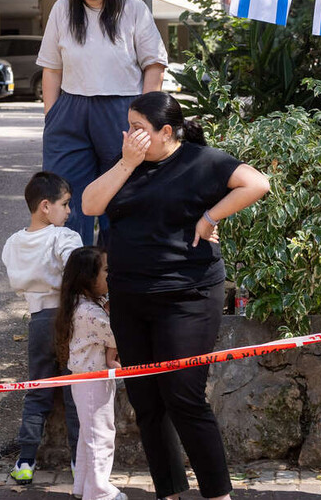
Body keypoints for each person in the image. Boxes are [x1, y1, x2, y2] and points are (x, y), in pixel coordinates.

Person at [82, 91, 271, 500]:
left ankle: (217, 493)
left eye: (138, 128)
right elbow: (90, 203)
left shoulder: (201, 161)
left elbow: (257, 183)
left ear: (166, 132)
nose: (129, 135)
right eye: (127, 126)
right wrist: (127, 162)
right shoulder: (125, 165)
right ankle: (168, 492)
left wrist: (210, 216)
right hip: (130, 296)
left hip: (188, 295)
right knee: (145, 400)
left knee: (183, 395)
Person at [38, 0, 169, 246]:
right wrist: (52, 116)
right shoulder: (62, 10)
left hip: (121, 109)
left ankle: (115, 280)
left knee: (120, 196)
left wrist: (144, 120)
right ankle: (71, 277)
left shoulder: (134, 9)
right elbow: (51, 68)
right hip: (70, 111)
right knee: (63, 197)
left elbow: (155, 66)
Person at [0, 171, 83, 484]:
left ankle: (25, 461)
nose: (69, 211)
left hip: (37, 320)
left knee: (36, 390)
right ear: (45, 206)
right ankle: (78, 461)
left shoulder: (13, 243)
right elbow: (76, 268)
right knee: (75, 390)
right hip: (68, 317)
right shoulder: (64, 237)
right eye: (65, 204)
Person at [54, 246, 125, 500]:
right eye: (105, 270)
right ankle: (99, 490)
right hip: (93, 381)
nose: (110, 274)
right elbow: (118, 333)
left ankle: (84, 485)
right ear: (88, 278)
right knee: (101, 437)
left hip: (86, 379)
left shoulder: (81, 305)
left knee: (89, 435)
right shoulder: (90, 312)